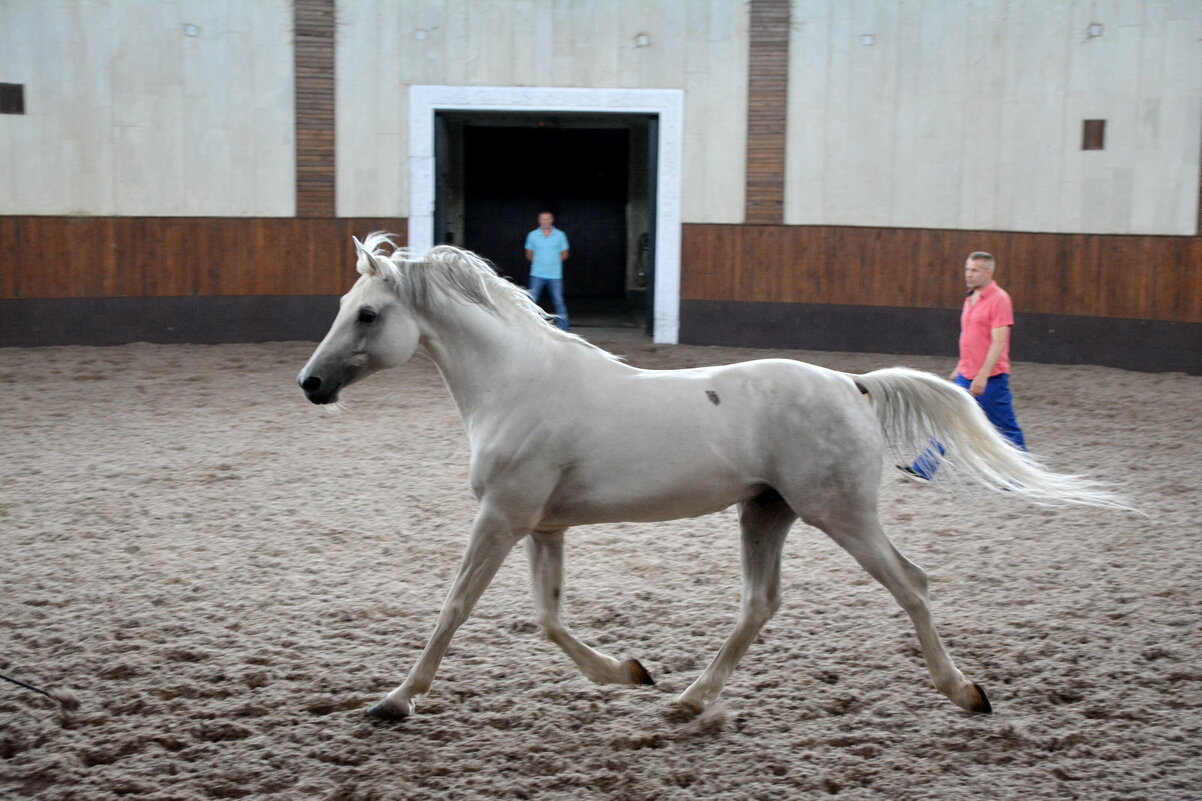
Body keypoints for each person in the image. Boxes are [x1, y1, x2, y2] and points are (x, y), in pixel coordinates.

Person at [900, 251, 1026, 481]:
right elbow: (971, 337)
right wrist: (960, 366)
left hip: (991, 378)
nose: (969, 275)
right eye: (967, 270)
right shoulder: (970, 297)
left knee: (1005, 427)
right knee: (949, 419)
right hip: (967, 374)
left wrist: (983, 376)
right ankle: (924, 468)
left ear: (989, 272)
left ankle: (1022, 475)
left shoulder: (999, 299)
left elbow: (999, 342)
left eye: (975, 270)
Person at [524, 211, 571, 331]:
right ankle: (528, 327)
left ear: (552, 220)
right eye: (542, 219)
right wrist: (540, 262)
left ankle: (565, 329)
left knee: (558, 302)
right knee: (532, 302)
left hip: (555, 275)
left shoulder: (560, 235)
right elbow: (529, 254)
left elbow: (565, 254)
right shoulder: (532, 235)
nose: (545, 221)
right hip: (537, 274)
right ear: (539, 221)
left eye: (548, 219)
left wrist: (553, 261)